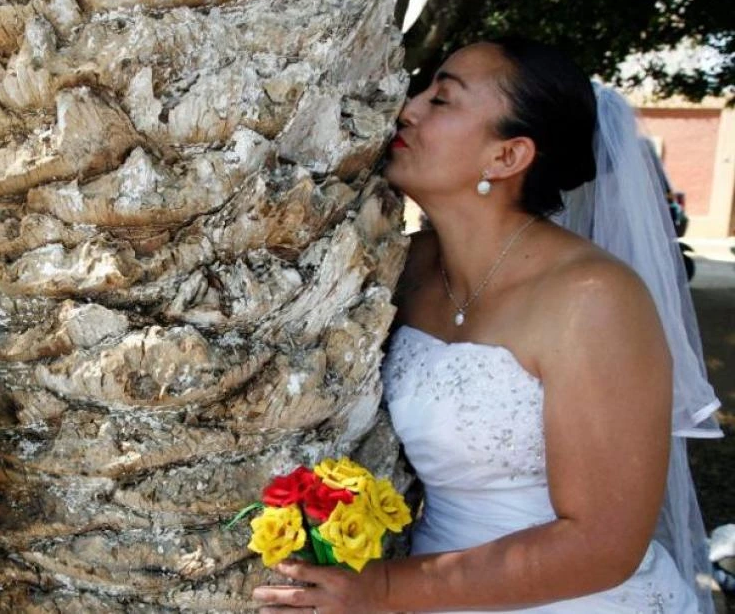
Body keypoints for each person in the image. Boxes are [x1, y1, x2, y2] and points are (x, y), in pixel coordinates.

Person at [253, 38, 718, 612]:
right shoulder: (403, 266)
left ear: (506, 157)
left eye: (443, 99)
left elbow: (604, 543)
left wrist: (387, 588)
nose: (409, 108)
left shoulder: (593, 299)